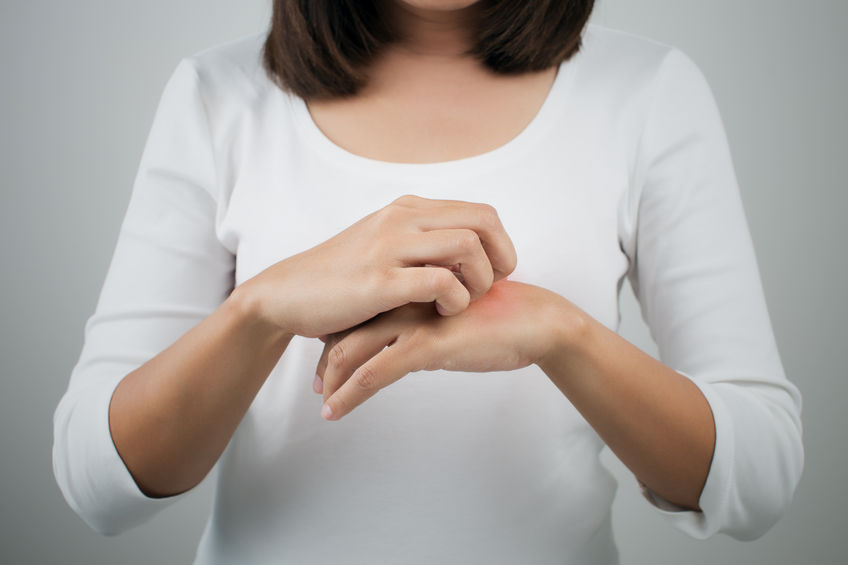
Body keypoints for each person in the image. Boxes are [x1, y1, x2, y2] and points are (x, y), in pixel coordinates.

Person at [52, 1, 804, 563]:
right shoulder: (217, 97)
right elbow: (98, 481)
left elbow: (758, 474)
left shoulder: (647, 91)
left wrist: (558, 333)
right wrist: (261, 308)